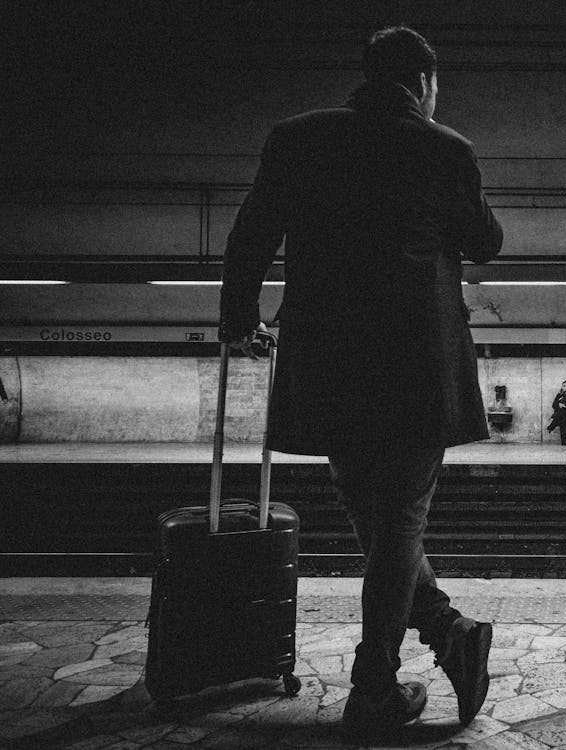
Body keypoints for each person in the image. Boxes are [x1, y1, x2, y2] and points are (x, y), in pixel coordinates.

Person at [218, 26, 503, 741]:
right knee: (398, 521)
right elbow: (484, 242)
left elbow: (251, 232)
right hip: (416, 365)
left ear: (368, 75)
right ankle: (376, 684)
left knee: (372, 516)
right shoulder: (444, 148)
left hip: (331, 361)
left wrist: (236, 319)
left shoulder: (298, 138)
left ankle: (445, 632)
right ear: (425, 83)